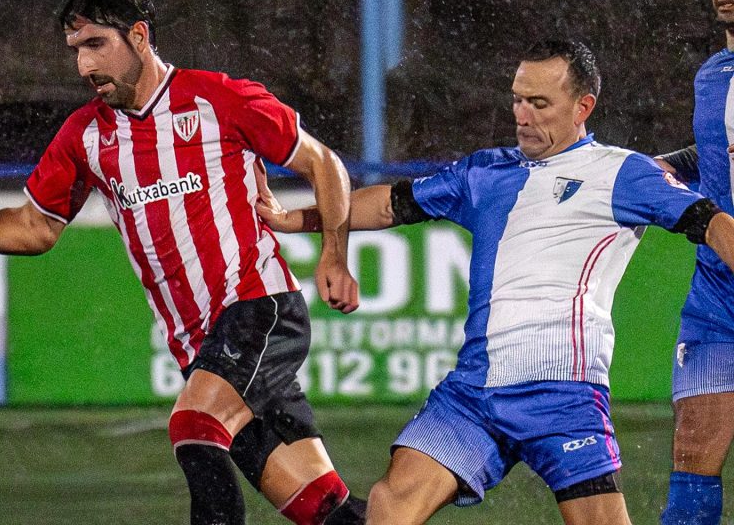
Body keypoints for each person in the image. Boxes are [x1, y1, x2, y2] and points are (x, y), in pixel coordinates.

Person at [0, 0, 367, 525]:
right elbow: (37, 227)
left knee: (194, 429)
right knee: (325, 511)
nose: (84, 67)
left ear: (139, 35)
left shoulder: (218, 98)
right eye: (76, 52)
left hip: (258, 309)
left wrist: (334, 258)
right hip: (198, 347)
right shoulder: (86, 135)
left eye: (95, 45)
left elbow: (325, 165)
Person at [257, 39, 734, 525]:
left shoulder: (623, 173)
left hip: (563, 395)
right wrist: (295, 219)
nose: (523, 115)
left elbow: (714, 223)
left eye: (540, 103)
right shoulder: (485, 171)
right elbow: (386, 204)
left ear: (582, 107)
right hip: (475, 392)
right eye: (517, 99)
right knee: (390, 503)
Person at [651, 0, 734, 523]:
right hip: (716, 294)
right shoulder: (712, 75)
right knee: (693, 457)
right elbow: (713, 152)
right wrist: (661, 168)